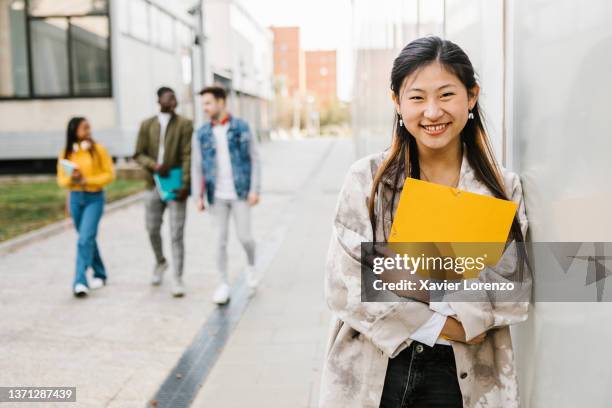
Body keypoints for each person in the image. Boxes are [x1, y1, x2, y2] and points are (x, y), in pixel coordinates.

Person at [319, 36, 530, 408]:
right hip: (376, 369)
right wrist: (443, 323)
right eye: (417, 97)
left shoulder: (501, 188)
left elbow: (511, 290)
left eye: (446, 95)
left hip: (463, 378)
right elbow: (345, 284)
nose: (432, 112)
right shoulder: (369, 180)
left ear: (472, 96)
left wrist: (408, 282)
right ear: (397, 103)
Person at [192, 85, 261, 305]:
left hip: (240, 193)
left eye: (208, 103)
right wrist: (198, 195)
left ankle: (251, 266)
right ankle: (222, 284)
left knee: (245, 238)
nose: (205, 108)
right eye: (203, 104)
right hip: (216, 196)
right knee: (218, 241)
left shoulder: (242, 127)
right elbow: (197, 167)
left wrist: (254, 189)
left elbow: (255, 159)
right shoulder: (201, 133)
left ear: (222, 102)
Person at [134, 86, 193, 297]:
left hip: (176, 186)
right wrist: (153, 165)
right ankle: (160, 262)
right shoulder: (147, 125)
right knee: (152, 228)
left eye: (175, 97)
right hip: (152, 185)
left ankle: (178, 277)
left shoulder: (185, 125)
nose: (173, 101)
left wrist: (185, 184)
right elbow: (138, 154)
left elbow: (188, 155)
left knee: (177, 233)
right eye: (169, 98)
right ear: (159, 100)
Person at [57, 117, 115, 297]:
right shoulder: (66, 153)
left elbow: (109, 175)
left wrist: (87, 180)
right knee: (87, 238)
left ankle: (80, 281)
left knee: (84, 239)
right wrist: (72, 179)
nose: (88, 131)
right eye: (84, 128)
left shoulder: (98, 150)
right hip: (76, 198)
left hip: (94, 198)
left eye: (89, 127)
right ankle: (100, 273)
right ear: (74, 131)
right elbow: (61, 179)